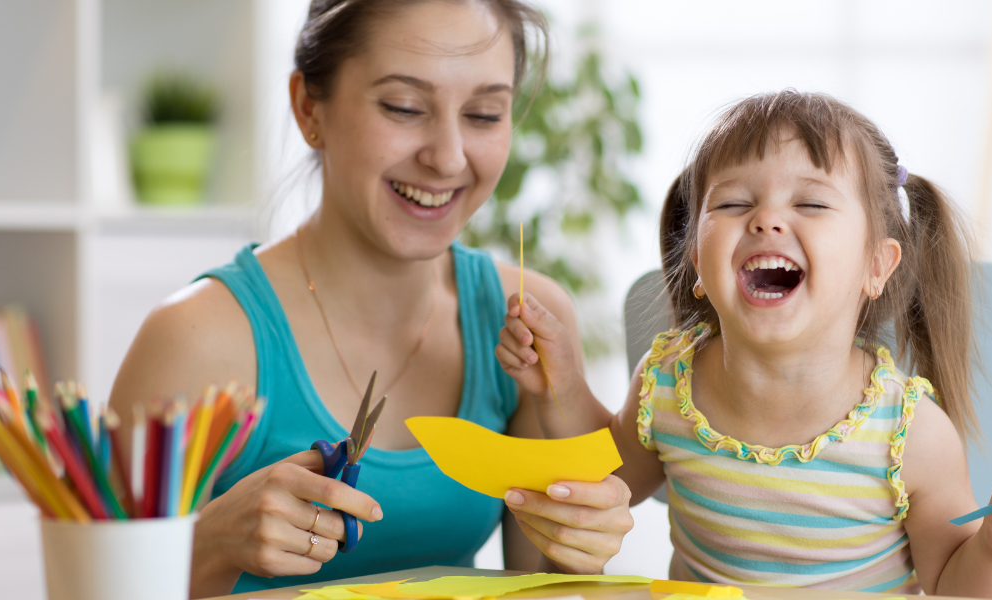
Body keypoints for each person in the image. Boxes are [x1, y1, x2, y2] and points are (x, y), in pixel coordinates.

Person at [107, 1, 633, 597]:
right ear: (310, 108)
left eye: (485, 114)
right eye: (404, 107)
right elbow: (92, 587)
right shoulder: (197, 338)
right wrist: (210, 543)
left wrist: (580, 542)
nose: (449, 156)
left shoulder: (525, 323)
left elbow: (542, 587)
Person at [495, 90, 992, 596]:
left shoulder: (908, 433)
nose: (766, 218)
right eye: (734, 203)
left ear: (877, 264)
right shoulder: (667, 381)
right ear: (695, 258)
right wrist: (560, 384)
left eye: (811, 203)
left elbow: (952, 585)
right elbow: (612, 481)